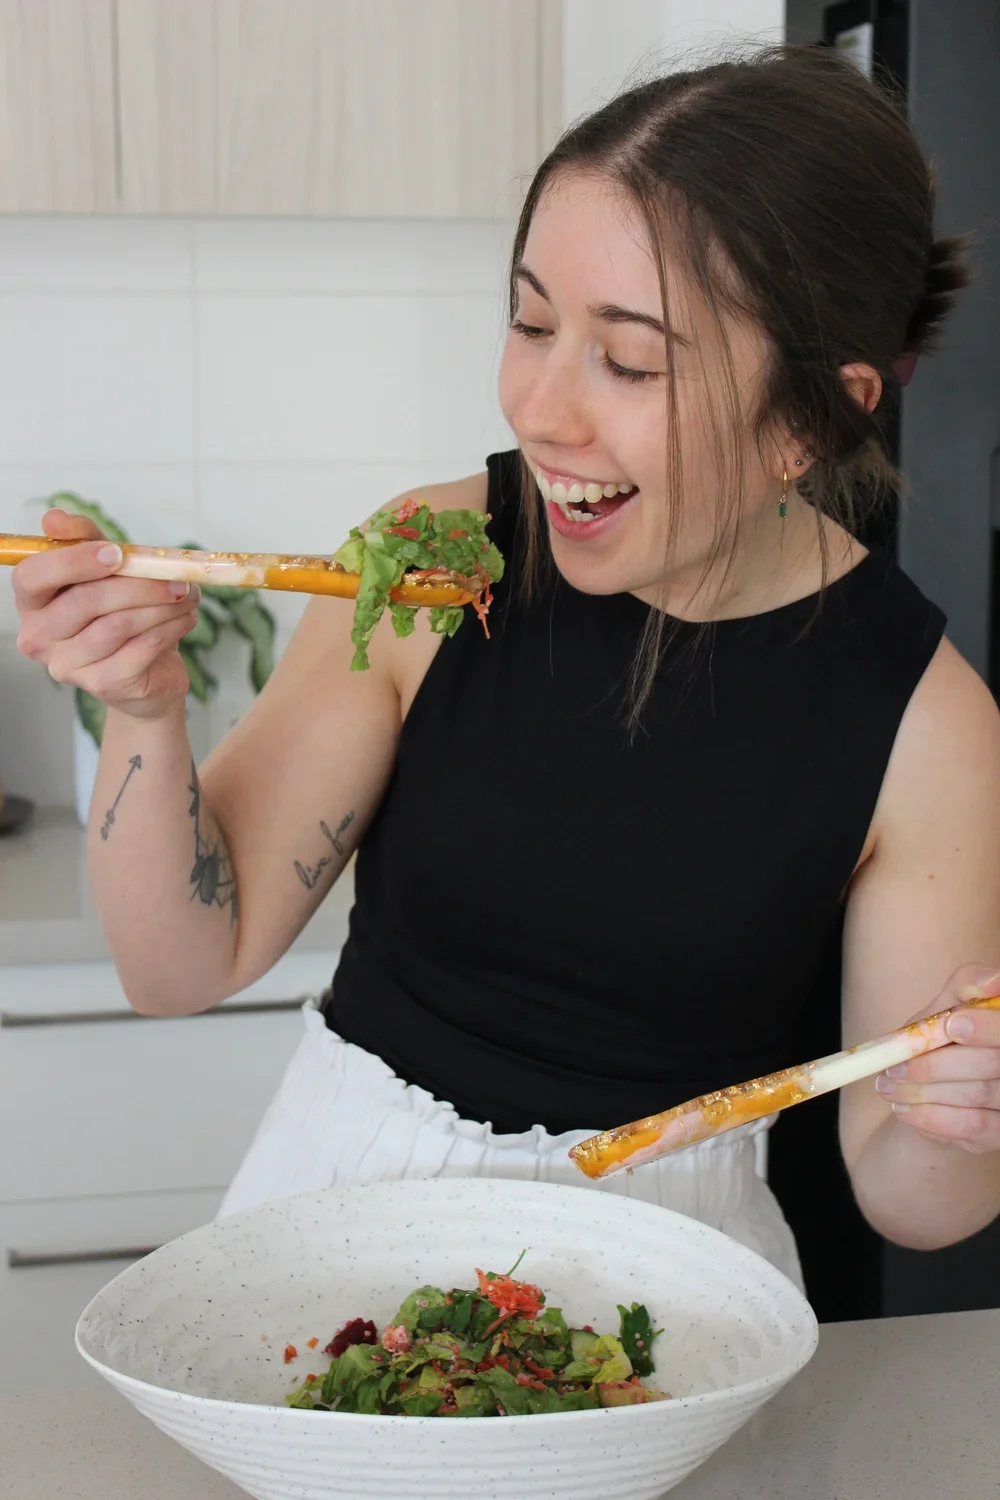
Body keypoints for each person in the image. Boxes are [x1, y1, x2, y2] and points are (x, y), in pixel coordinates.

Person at [13, 47, 1000, 1313]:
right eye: (531, 323)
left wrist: (961, 1106)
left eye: (629, 363)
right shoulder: (432, 566)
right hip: (340, 1215)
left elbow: (911, 1201)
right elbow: (178, 968)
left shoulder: (925, 721)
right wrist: (140, 704)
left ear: (809, 420)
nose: (540, 407)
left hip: (673, 1286)